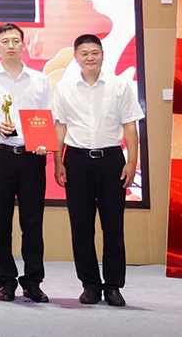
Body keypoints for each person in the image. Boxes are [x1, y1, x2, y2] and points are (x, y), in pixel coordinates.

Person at [53, 34, 142, 307]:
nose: (90, 57)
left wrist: (132, 162)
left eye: (95, 52)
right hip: (76, 161)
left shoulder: (119, 85)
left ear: (102, 54)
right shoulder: (64, 88)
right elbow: (60, 126)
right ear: (76, 57)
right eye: (84, 53)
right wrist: (57, 162)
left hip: (111, 160)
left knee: (113, 226)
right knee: (81, 227)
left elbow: (130, 126)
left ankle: (113, 286)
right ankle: (90, 285)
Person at [0, 23, 54, 303]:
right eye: (5, 41)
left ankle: (33, 281)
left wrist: (43, 141)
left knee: (33, 221)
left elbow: (47, 115)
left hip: (32, 157)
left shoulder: (39, 79)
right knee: (0, 220)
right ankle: (6, 280)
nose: (10, 45)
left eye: (15, 40)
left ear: (23, 44)